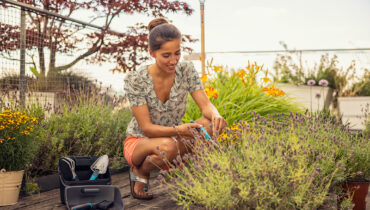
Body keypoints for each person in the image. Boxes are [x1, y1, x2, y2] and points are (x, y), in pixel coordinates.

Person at [123, 17, 227, 200]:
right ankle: (141, 170)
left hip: (172, 136)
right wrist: (180, 130)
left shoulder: (186, 70)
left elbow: (206, 106)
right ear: (152, 53)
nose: (174, 61)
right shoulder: (135, 79)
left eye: (177, 53)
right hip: (141, 140)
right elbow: (146, 128)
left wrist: (216, 115)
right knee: (168, 147)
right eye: (166, 55)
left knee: (211, 125)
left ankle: (200, 178)